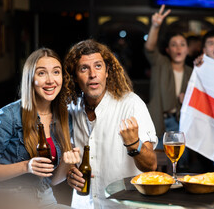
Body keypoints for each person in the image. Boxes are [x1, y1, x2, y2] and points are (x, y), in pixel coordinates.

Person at [0, 48, 80, 209]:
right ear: (30, 79)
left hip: (45, 198)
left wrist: (66, 163)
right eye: (42, 73)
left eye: (56, 72)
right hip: (10, 200)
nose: (51, 80)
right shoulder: (8, 116)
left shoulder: (64, 118)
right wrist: (26, 166)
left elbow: (52, 181)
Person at [63, 39, 158, 209]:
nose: (93, 74)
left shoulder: (131, 104)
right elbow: (68, 155)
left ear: (107, 71)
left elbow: (151, 165)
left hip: (123, 205)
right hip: (83, 205)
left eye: (98, 66)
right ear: (75, 76)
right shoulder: (70, 108)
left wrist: (134, 144)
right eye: (84, 68)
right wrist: (69, 172)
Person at [144, 4, 193, 149]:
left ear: (187, 49)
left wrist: (189, 100)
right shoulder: (161, 63)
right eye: (174, 45)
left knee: (179, 163)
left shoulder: (192, 72)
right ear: (168, 50)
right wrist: (155, 26)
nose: (178, 48)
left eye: (182, 44)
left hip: (181, 124)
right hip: (158, 120)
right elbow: (150, 49)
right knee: (158, 162)